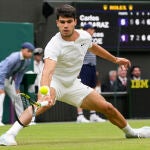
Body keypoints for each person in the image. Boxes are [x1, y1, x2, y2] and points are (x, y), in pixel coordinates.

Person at [0, 4, 150, 146]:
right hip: (55, 83)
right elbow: (48, 70)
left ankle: (131, 132)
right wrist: (44, 89)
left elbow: (94, 47)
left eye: (69, 22)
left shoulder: (84, 36)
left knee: (108, 107)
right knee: (40, 106)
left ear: (75, 22)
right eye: (62, 22)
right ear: (57, 23)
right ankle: (9, 135)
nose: (65, 25)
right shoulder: (54, 45)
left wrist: (115, 59)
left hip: (73, 84)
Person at [0, 42, 35, 126]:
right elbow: (2, 71)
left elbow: (20, 74)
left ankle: (23, 120)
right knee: (1, 97)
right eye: (28, 51)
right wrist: (1, 86)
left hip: (9, 80)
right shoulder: (14, 57)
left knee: (18, 97)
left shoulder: (27, 61)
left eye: (31, 51)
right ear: (22, 50)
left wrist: (17, 87)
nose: (30, 53)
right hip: (1, 77)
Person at [77, 23, 105, 123]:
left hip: (92, 67)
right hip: (84, 67)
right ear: (85, 30)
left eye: (93, 29)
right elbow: (78, 55)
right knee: (81, 92)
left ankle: (93, 114)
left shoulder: (91, 40)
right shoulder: (81, 40)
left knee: (92, 91)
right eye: (91, 29)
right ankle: (80, 116)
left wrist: (94, 69)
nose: (93, 31)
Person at [28, 48, 44, 125]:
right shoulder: (31, 64)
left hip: (41, 87)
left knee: (39, 103)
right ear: (34, 56)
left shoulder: (43, 64)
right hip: (32, 87)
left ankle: (33, 119)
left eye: (40, 55)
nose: (39, 56)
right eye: (37, 55)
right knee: (32, 103)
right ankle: (30, 119)